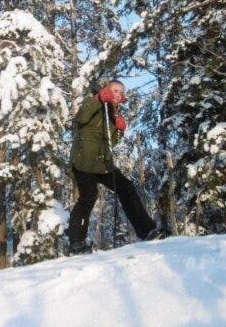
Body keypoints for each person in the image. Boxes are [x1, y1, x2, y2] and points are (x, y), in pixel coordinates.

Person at [67, 80, 164, 254]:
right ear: (107, 90)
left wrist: (120, 129)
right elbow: (80, 118)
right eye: (115, 90)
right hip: (85, 159)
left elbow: (113, 142)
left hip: (104, 163)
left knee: (126, 188)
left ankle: (147, 230)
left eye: (121, 92)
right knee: (88, 197)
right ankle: (76, 242)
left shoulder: (114, 112)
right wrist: (97, 99)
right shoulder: (96, 102)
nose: (118, 94)